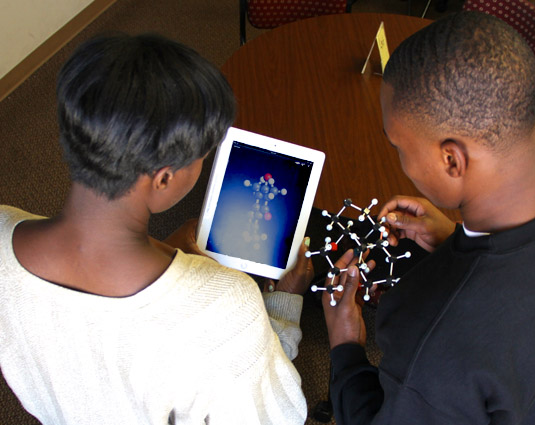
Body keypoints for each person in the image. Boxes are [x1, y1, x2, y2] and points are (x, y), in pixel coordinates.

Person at [322, 11, 535, 425]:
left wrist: (345, 347)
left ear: (451, 159)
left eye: (399, 146)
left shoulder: (435, 336)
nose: (400, 159)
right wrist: (456, 240)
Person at [0, 33, 312, 424]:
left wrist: (166, 251)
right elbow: (272, 416)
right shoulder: (228, 305)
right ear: (164, 179)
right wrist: (284, 304)